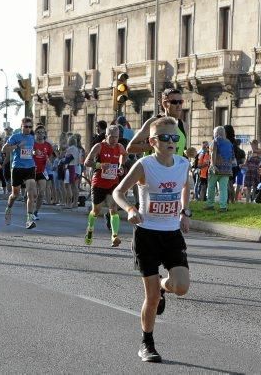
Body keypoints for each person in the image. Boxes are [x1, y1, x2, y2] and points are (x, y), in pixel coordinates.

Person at [112, 116, 191, 363]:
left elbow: (186, 187)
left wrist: (184, 211)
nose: (171, 142)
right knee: (152, 296)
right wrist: (130, 209)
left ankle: (164, 286)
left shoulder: (182, 164)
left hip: (171, 234)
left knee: (181, 287)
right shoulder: (145, 165)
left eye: (175, 138)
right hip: (147, 234)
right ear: (152, 141)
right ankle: (147, 343)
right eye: (165, 138)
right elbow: (118, 192)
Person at [84, 125, 127, 247]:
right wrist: (99, 165)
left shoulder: (119, 147)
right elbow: (87, 161)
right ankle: (90, 229)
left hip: (113, 182)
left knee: (113, 208)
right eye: (111, 137)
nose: (114, 140)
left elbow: (124, 155)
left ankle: (114, 236)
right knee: (96, 210)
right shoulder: (99, 146)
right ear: (106, 136)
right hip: (99, 183)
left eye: (116, 137)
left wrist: (121, 167)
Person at [127, 88, 188, 157]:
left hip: (174, 167)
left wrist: (188, 152)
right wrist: (156, 145)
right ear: (165, 104)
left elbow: (180, 149)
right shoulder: (154, 122)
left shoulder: (183, 125)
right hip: (152, 166)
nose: (178, 105)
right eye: (174, 102)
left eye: (180, 102)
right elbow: (130, 148)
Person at [2, 117, 38, 229]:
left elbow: (31, 150)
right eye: (26, 126)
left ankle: (29, 219)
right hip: (17, 167)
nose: (28, 129)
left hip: (30, 167)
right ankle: (8, 207)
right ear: (21, 127)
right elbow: (4, 149)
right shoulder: (15, 137)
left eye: (30, 127)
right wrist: (17, 146)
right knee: (15, 194)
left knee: (31, 193)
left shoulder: (33, 138)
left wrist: (33, 152)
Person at [205, 126, 234, 211]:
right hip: (227, 170)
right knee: (223, 188)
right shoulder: (229, 142)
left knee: (211, 187)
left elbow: (213, 153)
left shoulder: (215, 141)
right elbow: (232, 157)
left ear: (215, 133)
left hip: (216, 169)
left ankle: (210, 204)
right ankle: (223, 206)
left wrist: (213, 165)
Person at [33, 125, 53, 219]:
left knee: (41, 193)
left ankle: (35, 212)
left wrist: (48, 160)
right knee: (33, 193)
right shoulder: (32, 144)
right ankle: (29, 210)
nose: (40, 134)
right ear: (35, 133)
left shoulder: (48, 145)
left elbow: (49, 156)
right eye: (38, 132)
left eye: (42, 132)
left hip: (42, 171)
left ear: (45, 134)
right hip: (31, 170)